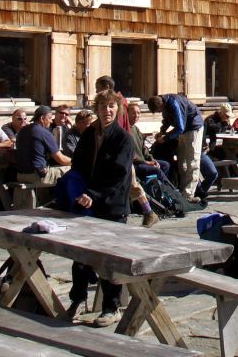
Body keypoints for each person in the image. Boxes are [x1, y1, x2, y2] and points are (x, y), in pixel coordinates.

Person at [66, 89, 139, 327]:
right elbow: (78, 161)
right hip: (87, 202)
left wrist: (94, 194)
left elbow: (119, 174)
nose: (107, 111)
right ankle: (77, 300)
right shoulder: (89, 133)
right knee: (80, 256)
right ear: (96, 109)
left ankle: (111, 307)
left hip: (112, 204)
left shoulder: (123, 138)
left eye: (111, 106)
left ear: (117, 109)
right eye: (103, 106)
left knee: (110, 260)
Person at [147, 93, 204, 201]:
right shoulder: (164, 103)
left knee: (192, 161)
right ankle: (183, 191)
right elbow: (167, 120)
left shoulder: (174, 103)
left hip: (193, 128)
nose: (160, 113)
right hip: (183, 131)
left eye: (159, 110)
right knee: (181, 161)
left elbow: (180, 127)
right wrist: (162, 131)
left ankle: (189, 194)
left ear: (161, 105)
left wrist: (166, 138)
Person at [15, 105, 71, 187]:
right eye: (49, 118)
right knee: (76, 170)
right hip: (37, 177)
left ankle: (47, 198)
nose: (51, 121)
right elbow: (60, 159)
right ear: (42, 118)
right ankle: (74, 198)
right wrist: (76, 162)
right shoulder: (44, 132)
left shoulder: (22, 130)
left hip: (20, 175)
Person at [128, 102, 172, 184]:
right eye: (133, 113)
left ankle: (160, 188)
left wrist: (152, 160)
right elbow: (132, 156)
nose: (136, 115)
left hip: (144, 161)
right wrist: (147, 162)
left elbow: (144, 149)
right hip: (136, 165)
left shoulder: (136, 130)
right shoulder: (126, 130)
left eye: (138, 113)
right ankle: (169, 189)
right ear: (127, 114)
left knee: (165, 165)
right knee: (156, 170)